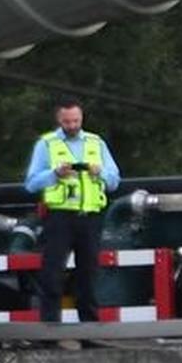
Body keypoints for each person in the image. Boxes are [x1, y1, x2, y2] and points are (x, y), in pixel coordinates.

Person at [24, 96, 115, 325]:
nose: (73, 126)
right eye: (68, 122)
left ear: (81, 117)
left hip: (90, 217)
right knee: (52, 275)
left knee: (89, 276)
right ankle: (51, 330)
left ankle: (90, 330)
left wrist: (100, 173)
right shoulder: (46, 145)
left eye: (76, 121)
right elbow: (31, 183)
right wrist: (55, 174)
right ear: (59, 119)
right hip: (60, 217)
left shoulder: (96, 143)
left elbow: (114, 181)